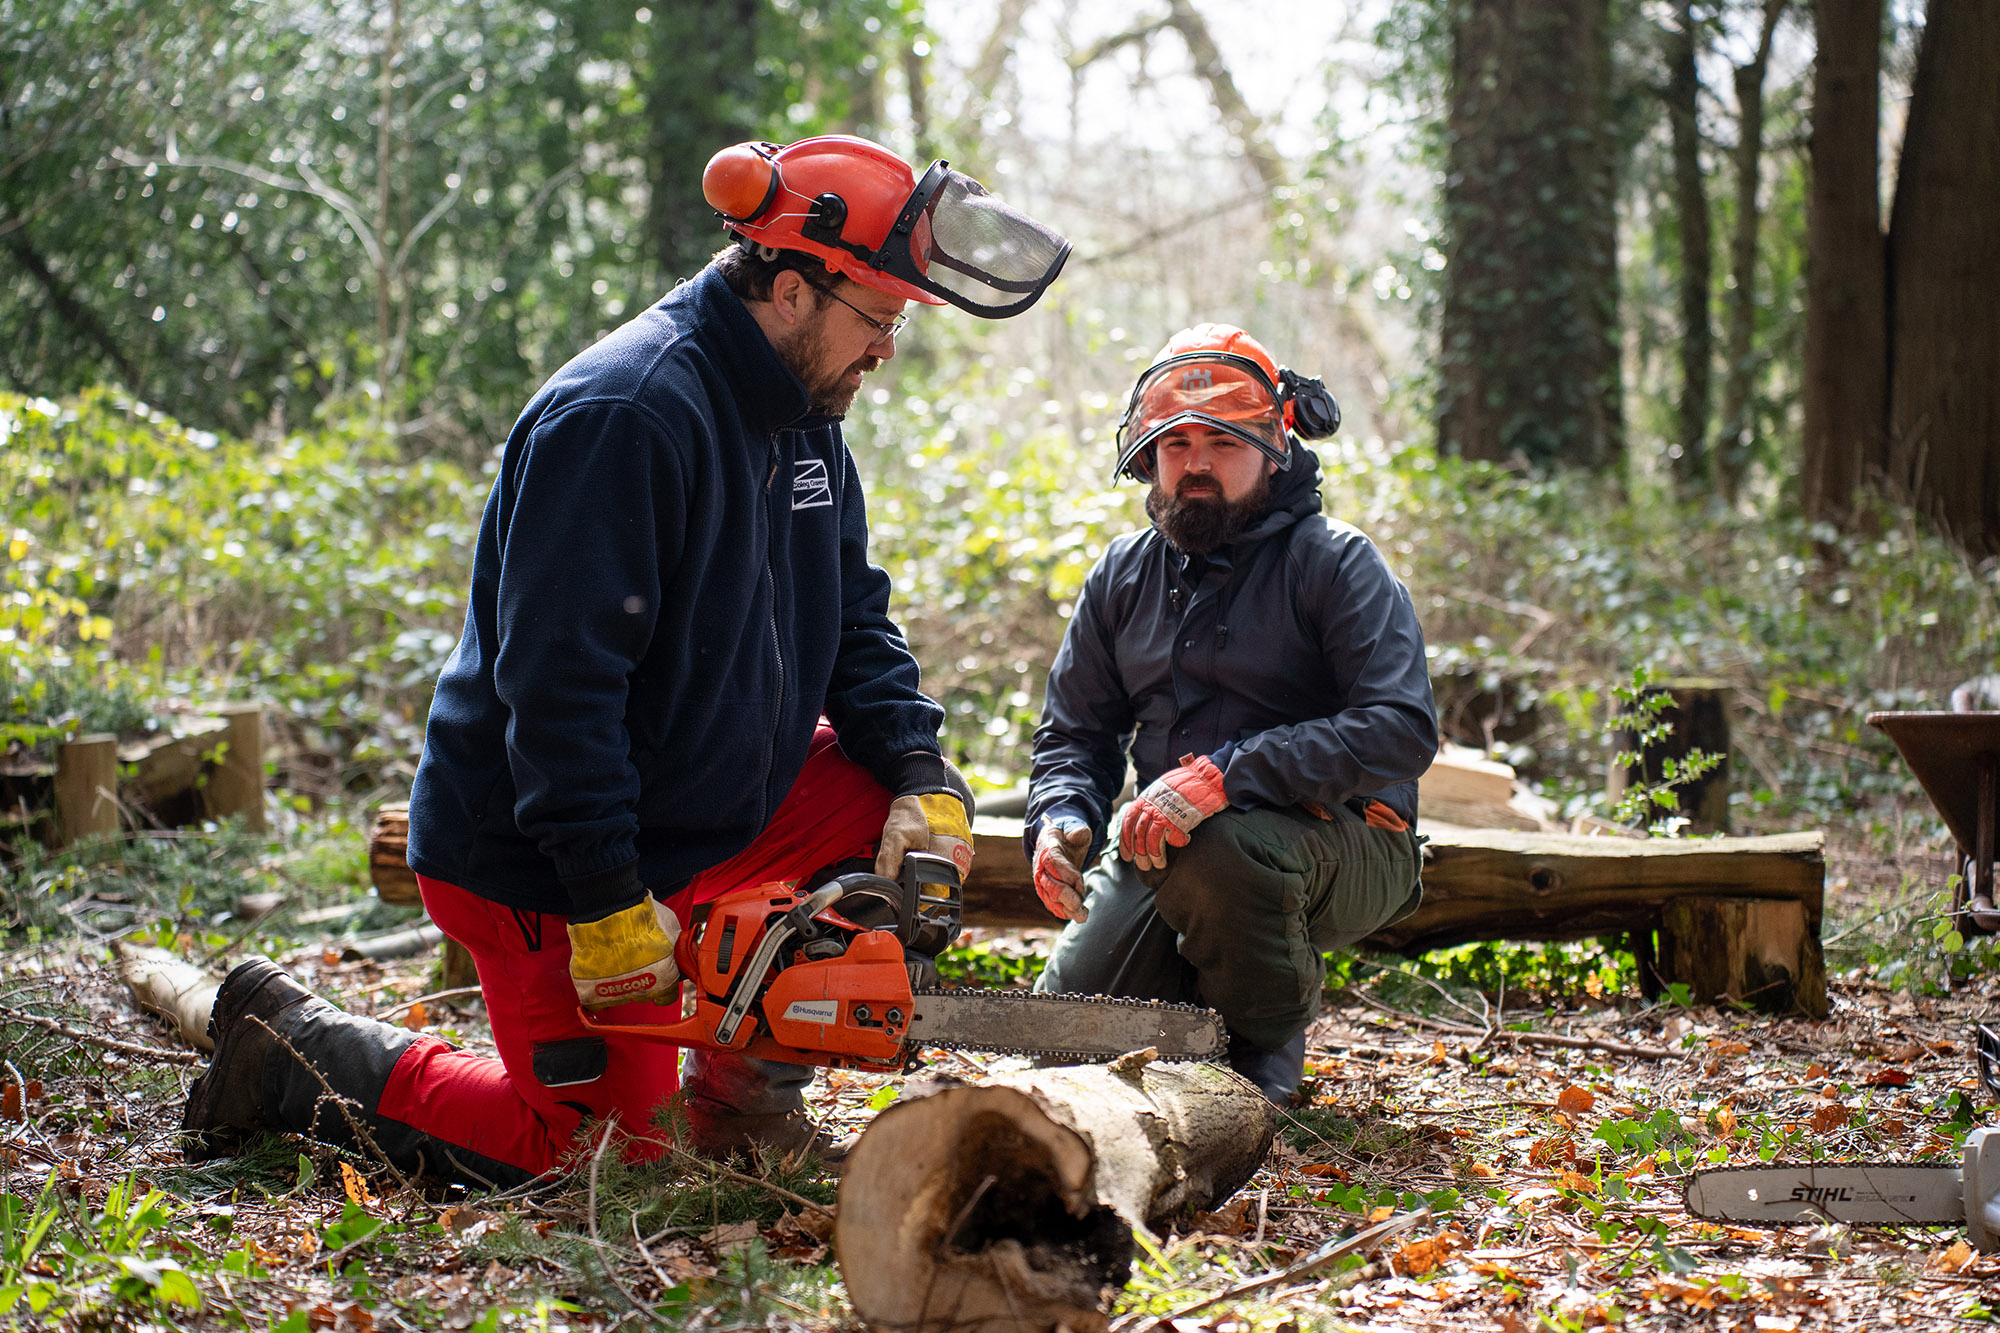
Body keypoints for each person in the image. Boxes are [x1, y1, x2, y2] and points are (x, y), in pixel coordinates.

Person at [180, 135, 1070, 1188]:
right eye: (876, 319)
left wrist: (924, 776)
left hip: (695, 813)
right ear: (790, 288)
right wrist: (604, 897)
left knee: (883, 807)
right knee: (609, 1163)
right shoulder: (625, 414)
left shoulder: (803, 413)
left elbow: (853, 615)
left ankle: (743, 1104)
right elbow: (559, 690)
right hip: (546, 854)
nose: (883, 350)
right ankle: (289, 1047)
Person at [1025, 323, 1437, 1105]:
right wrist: (1062, 814)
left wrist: (1231, 773)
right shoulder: (1121, 575)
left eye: (1222, 441)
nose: (1198, 464)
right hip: (1166, 843)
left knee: (1217, 844)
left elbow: (1401, 728)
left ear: (1274, 445)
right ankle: (1197, 986)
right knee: (1057, 1044)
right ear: (1147, 457)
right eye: (1177, 445)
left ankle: (1264, 1039)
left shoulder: (1336, 561)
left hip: (1349, 838)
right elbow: (1075, 732)